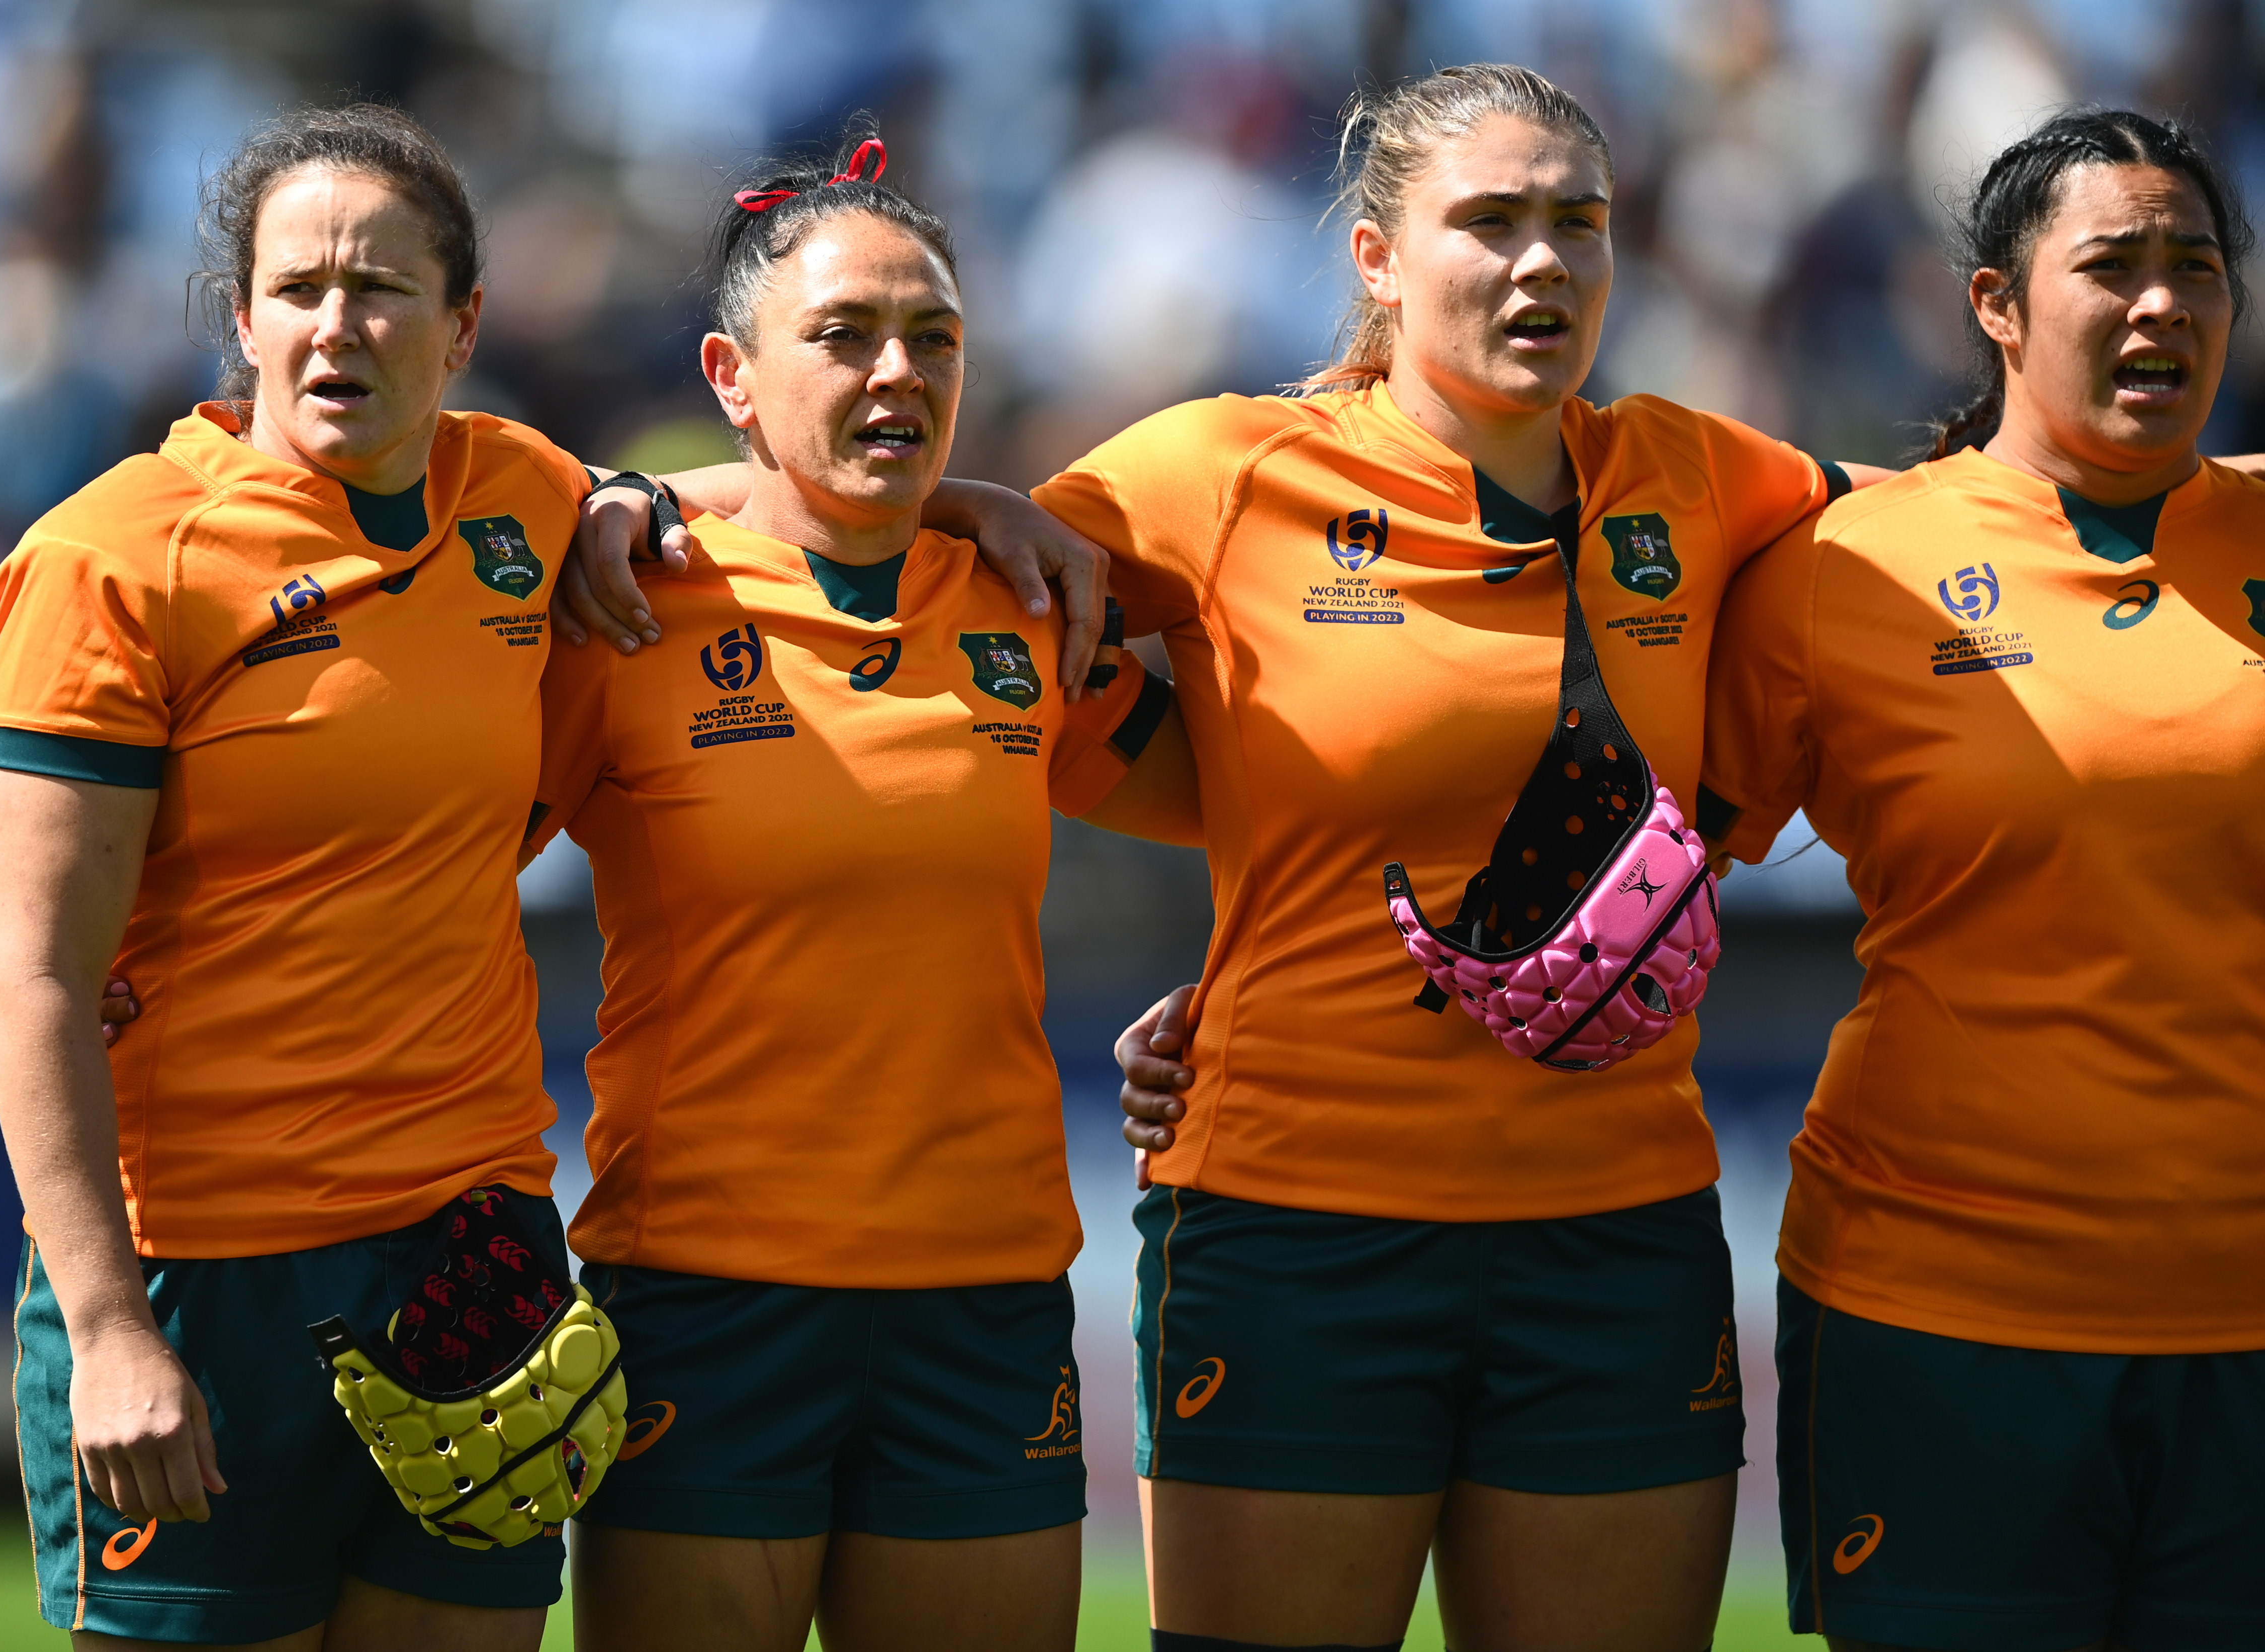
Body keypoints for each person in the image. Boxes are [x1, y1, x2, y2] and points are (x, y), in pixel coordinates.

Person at [569, 64, 1886, 1652]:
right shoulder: (1217, 475)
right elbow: (865, 517)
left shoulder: (1696, 472)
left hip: (1622, 1236)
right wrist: (636, 497)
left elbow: (1954, 524)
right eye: (1492, 223)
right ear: (1377, 261)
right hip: (1295, 1232)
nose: (1544, 263)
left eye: (1580, 225)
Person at [528, 134, 1198, 1652]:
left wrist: (1254, 996)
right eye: (842, 336)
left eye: (934, 337)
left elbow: (1271, 814)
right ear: (732, 375)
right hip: (707, 1293)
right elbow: (433, 871)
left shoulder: (1031, 606)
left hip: (984, 1303)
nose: (897, 370)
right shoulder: (626, 604)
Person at [0, 103, 601, 1649]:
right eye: (301, 288)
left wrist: (985, 510)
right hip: (202, 1277)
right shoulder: (118, 559)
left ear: (462, 328)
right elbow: (30, 975)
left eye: (383, 288)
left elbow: (727, 511)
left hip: (470, 1257)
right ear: (242, 319)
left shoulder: (522, 497)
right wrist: (112, 1328)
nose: (339, 324)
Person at [1700, 108, 2265, 1652]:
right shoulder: (1844, 569)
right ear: (1996, 305)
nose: (2163, 303)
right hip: (1940, 1322)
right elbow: (1625, 884)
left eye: (2198, 266)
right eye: (2113, 265)